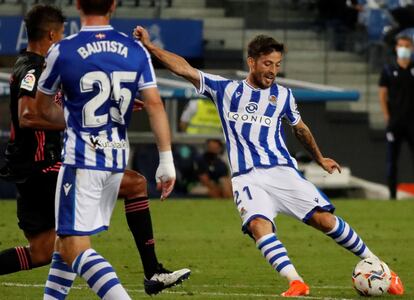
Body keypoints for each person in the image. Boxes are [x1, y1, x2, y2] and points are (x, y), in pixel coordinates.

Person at [134, 28, 405, 297]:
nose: (273, 70)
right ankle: (295, 282)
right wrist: (152, 48)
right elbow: (185, 69)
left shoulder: (284, 96)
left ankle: (383, 269)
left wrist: (319, 158)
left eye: (277, 65)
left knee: (324, 219)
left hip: (282, 172)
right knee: (257, 225)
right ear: (251, 61)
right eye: (267, 64)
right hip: (246, 177)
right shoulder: (226, 89)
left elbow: (301, 129)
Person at [0, 4, 190, 297]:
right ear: (51, 33)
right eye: (60, 33)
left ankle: (152, 269)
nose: (62, 37)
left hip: (64, 162)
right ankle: (151, 270)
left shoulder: (57, 56)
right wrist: (85, 117)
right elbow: (28, 116)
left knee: (54, 248)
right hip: (42, 166)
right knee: (69, 246)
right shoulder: (33, 67)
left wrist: (102, 107)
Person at [379, 35, 414, 200]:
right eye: (401, 45)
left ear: (412, 48)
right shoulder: (388, 70)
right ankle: (392, 195)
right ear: (396, 48)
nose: (404, 49)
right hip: (395, 122)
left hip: (412, 122)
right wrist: (386, 116)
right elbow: (382, 95)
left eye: (407, 46)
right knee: (391, 160)